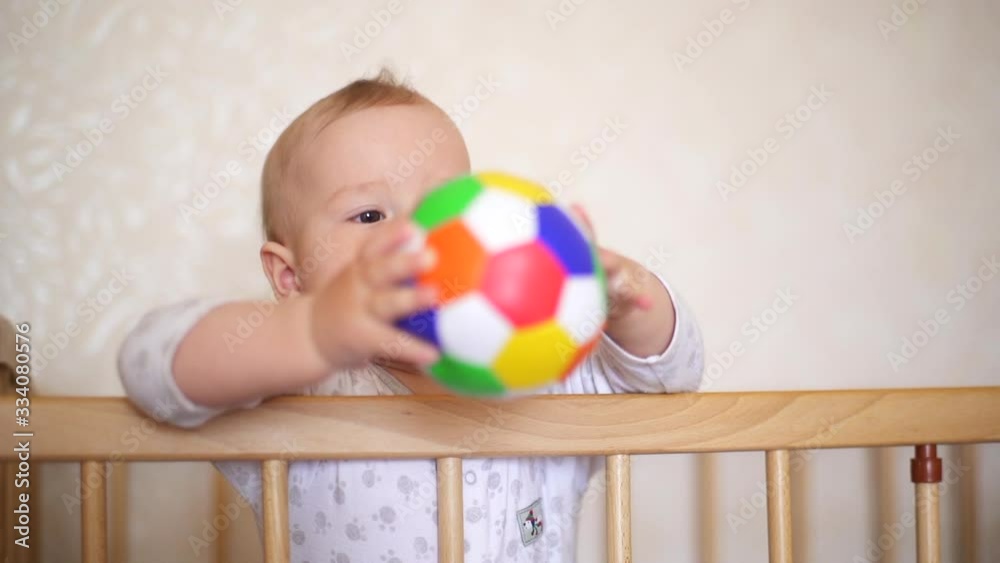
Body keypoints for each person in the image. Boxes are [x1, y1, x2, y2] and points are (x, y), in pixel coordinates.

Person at [119, 69, 705, 562]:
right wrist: (314, 332)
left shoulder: (536, 365)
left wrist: (626, 297)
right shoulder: (302, 384)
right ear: (292, 279)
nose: (416, 236)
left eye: (443, 209)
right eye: (370, 215)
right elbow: (151, 366)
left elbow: (666, 376)